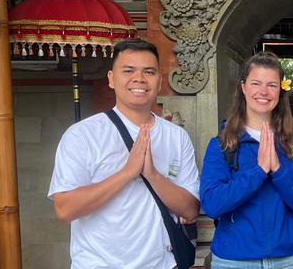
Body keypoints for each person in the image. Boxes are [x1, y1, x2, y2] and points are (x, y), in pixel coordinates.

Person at [49, 39, 200, 269]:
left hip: (161, 264)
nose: (139, 78)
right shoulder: (82, 135)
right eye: (128, 70)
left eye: (149, 72)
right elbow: (65, 209)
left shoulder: (176, 137)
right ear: (111, 79)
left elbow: (190, 208)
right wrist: (128, 171)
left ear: (159, 81)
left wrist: (152, 175)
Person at [200, 51, 293, 269]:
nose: (264, 92)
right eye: (256, 83)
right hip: (233, 261)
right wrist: (259, 171)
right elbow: (212, 206)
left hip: (288, 261)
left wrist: (279, 171)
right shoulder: (222, 145)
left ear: (281, 91)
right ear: (243, 87)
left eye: (272, 85)